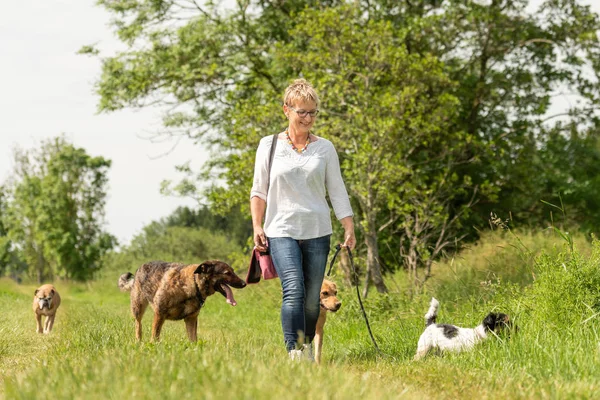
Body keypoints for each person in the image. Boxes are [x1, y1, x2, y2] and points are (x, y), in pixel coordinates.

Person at [250, 78, 356, 361]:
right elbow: (259, 190)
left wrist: (348, 224)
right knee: (293, 288)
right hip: (280, 229)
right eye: (302, 112)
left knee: (312, 300)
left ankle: (307, 347)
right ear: (287, 110)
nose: (308, 118)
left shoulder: (325, 148)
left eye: (313, 112)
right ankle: (294, 353)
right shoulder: (269, 145)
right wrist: (257, 226)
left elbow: (337, 189)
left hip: (318, 230)